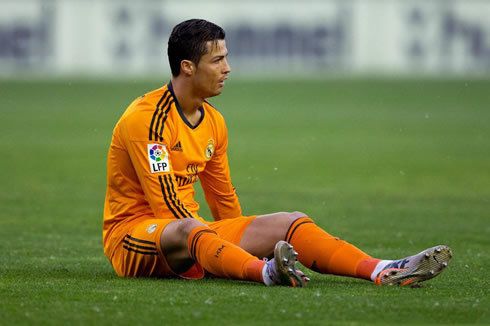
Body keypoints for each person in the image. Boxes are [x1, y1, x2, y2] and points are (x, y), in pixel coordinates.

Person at [103, 19, 452, 287]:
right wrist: (222, 247)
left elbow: (223, 197)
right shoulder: (146, 120)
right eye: (218, 60)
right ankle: (267, 273)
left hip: (194, 234)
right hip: (136, 238)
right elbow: (167, 209)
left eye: (226, 58)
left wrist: (239, 237)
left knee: (289, 221)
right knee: (189, 228)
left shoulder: (214, 122)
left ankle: (382, 269)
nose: (227, 69)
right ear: (188, 67)